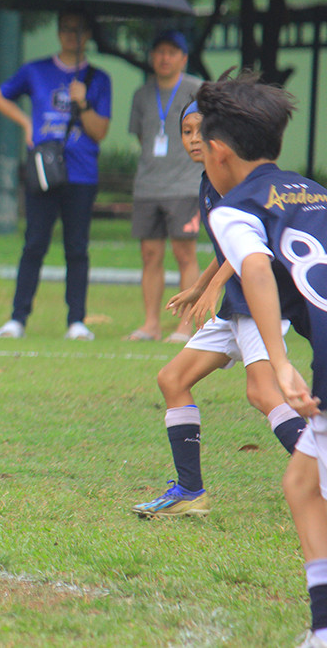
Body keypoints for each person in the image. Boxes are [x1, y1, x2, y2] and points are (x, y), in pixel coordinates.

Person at [131, 100, 307, 518]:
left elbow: (251, 243)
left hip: (256, 300)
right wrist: (200, 286)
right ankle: (190, 491)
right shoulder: (209, 179)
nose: (194, 139)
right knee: (173, 379)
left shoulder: (233, 178)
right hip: (236, 302)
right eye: (186, 131)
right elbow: (227, 246)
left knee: (263, 392)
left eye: (201, 131)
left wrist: (215, 286)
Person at [199, 73, 327, 647]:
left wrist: (278, 362)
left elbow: (253, 269)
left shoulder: (234, 208)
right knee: (302, 483)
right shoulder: (315, 191)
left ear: (219, 152)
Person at [0, 9, 111, 341]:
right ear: (58, 33)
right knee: (34, 244)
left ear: (88, 35)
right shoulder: (35, 70)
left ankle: (77, 321)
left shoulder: (99, 79)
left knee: (77, 248)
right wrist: (26, 123)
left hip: (82, 173)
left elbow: (100, 131)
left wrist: (82, 103)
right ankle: (17, 318)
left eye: (78, 29)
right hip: (43, 169)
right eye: (66, 29)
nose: (72, 35)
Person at [126, 31, 203, 344]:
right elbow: (141, 137)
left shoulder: (197, 90)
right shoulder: (142, 94)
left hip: (184, 185)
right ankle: (151, 324)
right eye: (159, 51)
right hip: (148, 185)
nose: (164, 58)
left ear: (183, 58)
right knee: (149, 255)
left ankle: (185, 326)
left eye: (172, 52)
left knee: (184, 254)